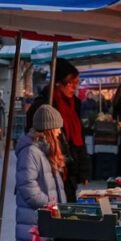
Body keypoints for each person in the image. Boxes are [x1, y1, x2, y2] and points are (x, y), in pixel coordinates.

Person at [14, 104, 67, 241]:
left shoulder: (43, 150)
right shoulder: (31, 152)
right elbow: (28, 188)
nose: (60, 132)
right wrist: (49, 203)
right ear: (48, 129)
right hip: (34, 219)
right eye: (57, 128)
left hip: (43, 216)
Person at [26, 58, 86, 201]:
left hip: (69, 171)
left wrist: (83, 169)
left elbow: (79, 139)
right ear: (58, 83)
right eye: (70, 83)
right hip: (51, 168)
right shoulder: (43, 106)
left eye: (76, 82)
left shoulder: (74, 104)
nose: (74, 87)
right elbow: (33, 137)